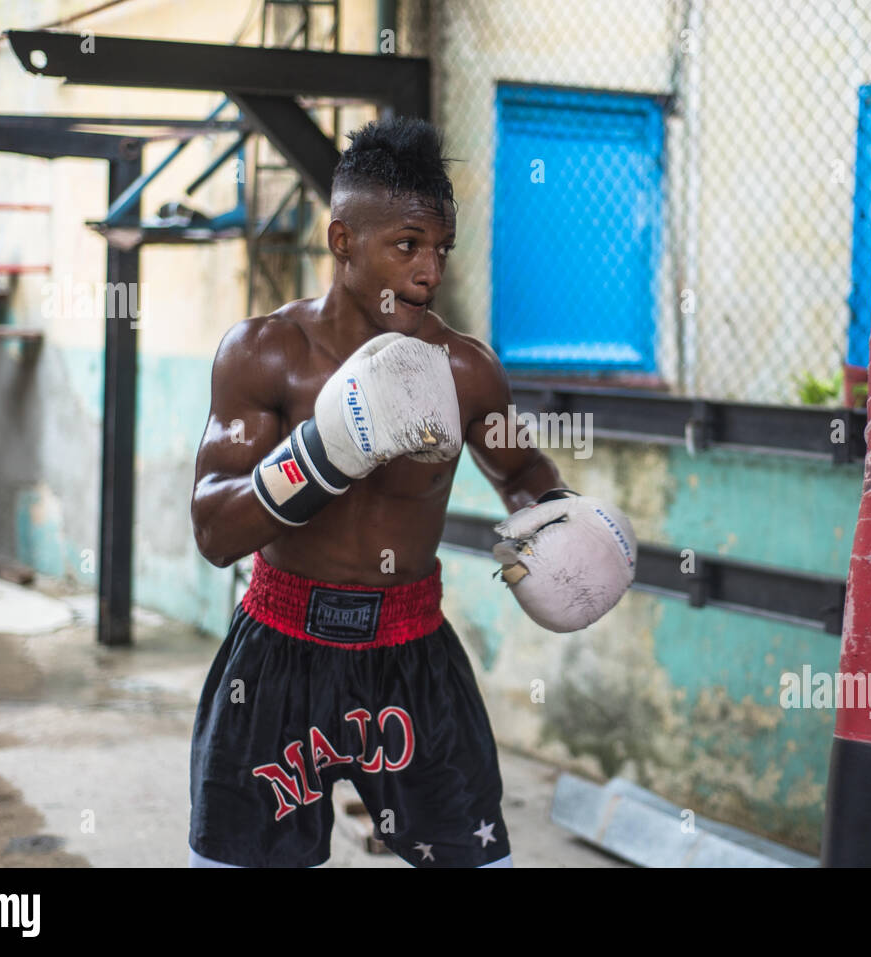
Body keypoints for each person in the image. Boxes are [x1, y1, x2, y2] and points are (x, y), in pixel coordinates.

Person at [187, 115, 636, 868]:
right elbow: (214, 530)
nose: (431, 270)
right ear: (342, 243)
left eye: (441, 248)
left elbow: (525, 475)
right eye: (408, 245)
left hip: (410, 652)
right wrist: (321, 454)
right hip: (279, 649)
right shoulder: (265, 354)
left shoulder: (466, 370)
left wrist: (558, 529)